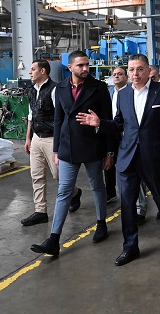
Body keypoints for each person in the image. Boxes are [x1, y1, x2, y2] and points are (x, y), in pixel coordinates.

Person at [77, 53, 160, 266]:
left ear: (149, 70)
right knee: (127, 204)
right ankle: (130, 247)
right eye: (131, 70)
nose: (135, 74)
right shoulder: (123, 95)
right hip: (127, 157)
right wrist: (100, 123)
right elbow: (118, 124)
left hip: (154, 156)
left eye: (140, 69)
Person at [30, 50, 114, 258]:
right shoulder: (60, 88)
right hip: (68, 147)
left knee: (97, 185)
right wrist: (56, 149)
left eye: (87, 65)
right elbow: (58, 120)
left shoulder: (99, 88)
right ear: (70, 68)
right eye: (80, 65)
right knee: (64, 191)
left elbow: (108, 121)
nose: (85, 69)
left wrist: (109, 151)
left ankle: (101, 223)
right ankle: (54, 240)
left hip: (93, 145)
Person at [21, 59, 80, 227]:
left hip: (52, 138)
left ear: (43, 71)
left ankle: (75, 193)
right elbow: (31, 115)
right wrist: (28, 138)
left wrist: (61, 141)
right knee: (36, 175)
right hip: (36, 138)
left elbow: (60, 116)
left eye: (33, 69)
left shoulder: (55, 89)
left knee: (58, 175)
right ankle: (40, 211)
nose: (30, 72)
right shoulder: (32, 91)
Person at [106, 66, 130, 203]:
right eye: (114, 74)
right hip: (111, 132)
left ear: (126, 77)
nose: (116, 76)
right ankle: (110, 192)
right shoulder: (109, 92)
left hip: (126, 133)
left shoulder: (131, 92)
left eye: (120, 74)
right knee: (108, 162)